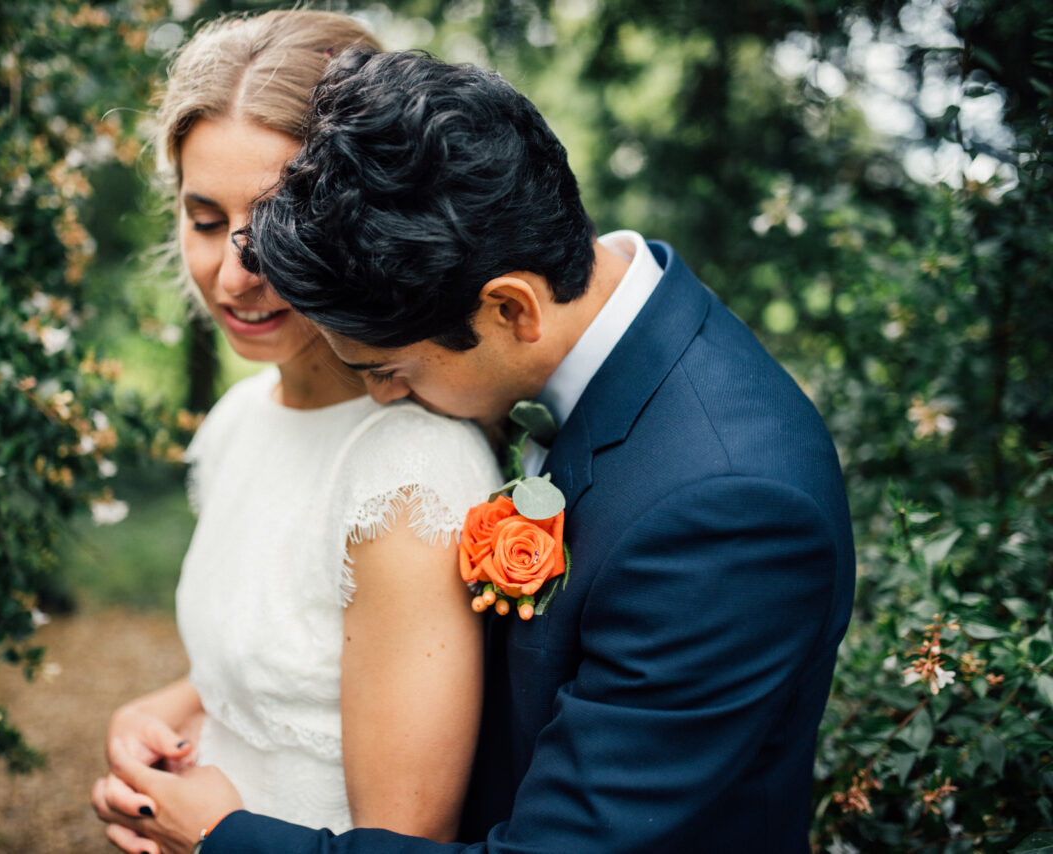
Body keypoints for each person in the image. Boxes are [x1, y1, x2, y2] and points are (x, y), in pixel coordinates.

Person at [106, 47, 857, 852]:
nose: (384, 396)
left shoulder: (730, 506)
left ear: (511, 311)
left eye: (391, 368)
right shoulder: (608, 355)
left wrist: (223, 838)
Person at [89, 19, 503, 854]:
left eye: (280, 222)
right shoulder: (236, 424)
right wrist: (160, 713)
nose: (237, 272)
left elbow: (406, 837)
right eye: (206, 221)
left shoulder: (408, 469)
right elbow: (284, 679)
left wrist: (207, 831)